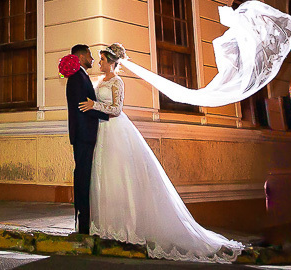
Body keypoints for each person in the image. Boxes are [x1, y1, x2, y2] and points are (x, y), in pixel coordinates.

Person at [78, 42, 245, 263]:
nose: (99, 63)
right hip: (103, 131)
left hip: (116, 130)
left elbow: (117, 109)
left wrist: (94, 106)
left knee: (121, 176)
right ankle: (109, 226)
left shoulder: (117, 82)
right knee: (107, 176)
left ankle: (126, 227)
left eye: (102, 59)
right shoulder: (101, 81)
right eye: (98, 59)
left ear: (111, 62)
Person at [65, 43, 111, 235]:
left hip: (84, 135)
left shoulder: (80, 76)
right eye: (90, 55)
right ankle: (83, 223)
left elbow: (87, 105)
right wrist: (107, 113)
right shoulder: (77, 77)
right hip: (83, 135)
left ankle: (83, 220)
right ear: (82, 56)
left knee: (85, 177)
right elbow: (82, 107)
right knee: (83, 178)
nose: (93, 59)